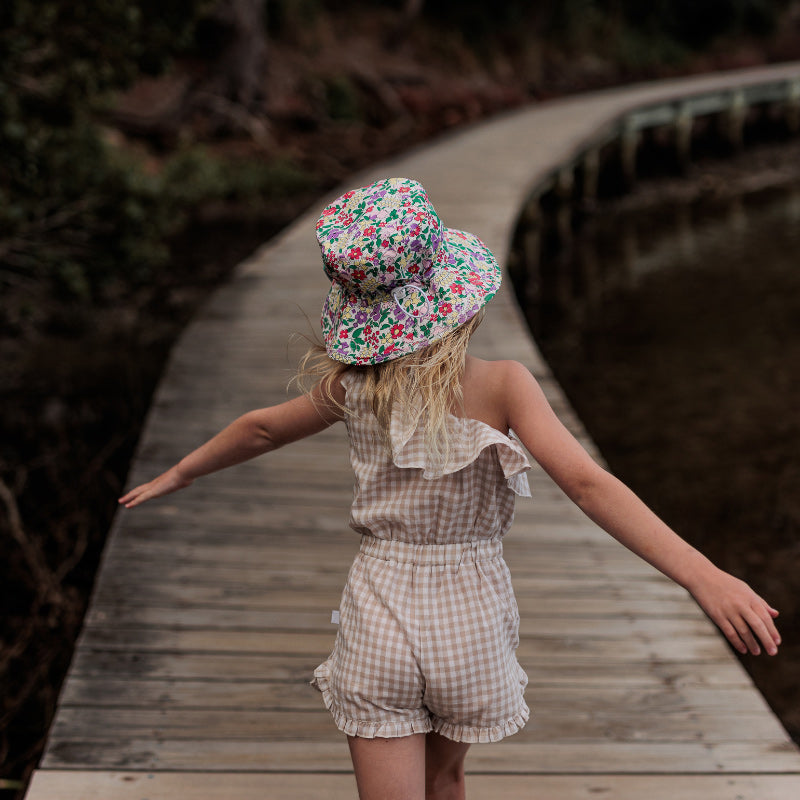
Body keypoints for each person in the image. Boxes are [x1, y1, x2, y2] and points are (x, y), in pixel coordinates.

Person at [119, 177, 781, 800]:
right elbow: (585, 484)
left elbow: (261, 429)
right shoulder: (505, 385)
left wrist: (178, 473)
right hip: (470, 619)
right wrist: (700, 574)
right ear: (461, 299)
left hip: (380, 607)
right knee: (447, 785)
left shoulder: (356, 386)